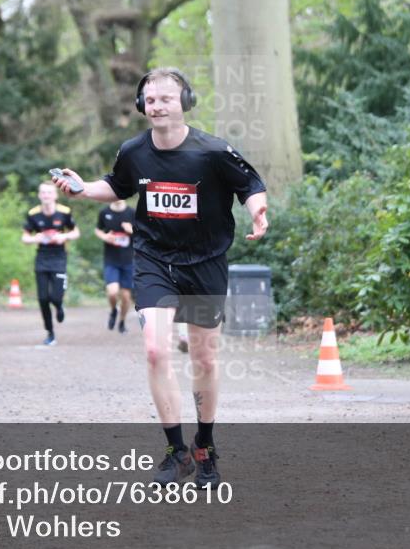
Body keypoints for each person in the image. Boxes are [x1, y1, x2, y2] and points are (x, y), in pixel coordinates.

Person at [53, 67, 268, 489]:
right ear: (141, 106)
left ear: (184, 102)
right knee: (155, 351)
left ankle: (204, 446)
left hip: (205, 261)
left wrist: (258, 210)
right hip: (154, 259)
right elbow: (117, 186)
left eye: (166, 99)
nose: (157, 107)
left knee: (204, 359)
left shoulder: (213, 151)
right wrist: (82, 188)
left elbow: (250, 183)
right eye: (150, 100)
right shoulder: (134, 151)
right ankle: (176, 452)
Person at [22, 182, 80, 346]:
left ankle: (59, 305)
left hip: (59, 257)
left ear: (55, 195)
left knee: (55, 297)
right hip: (42, 257)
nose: (46, 196)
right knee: (42, 298)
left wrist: (64, 237)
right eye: (43, 193)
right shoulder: (33, 214)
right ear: (40, 196)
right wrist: (34, 238)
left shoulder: (64, 212)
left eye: (49, 193)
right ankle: (50, 332)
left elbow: (76, 232)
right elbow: (24, 237)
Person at [95, 199, 136, 333]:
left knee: (125, 297)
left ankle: (122, 321)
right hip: (111, 260)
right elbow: (98, 230)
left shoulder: (132, 213)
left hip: (128, 261)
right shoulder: (104, 212)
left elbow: (144, 234)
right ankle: (113, 310)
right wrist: (105, 237)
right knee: (112, 292)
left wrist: (131, 230)